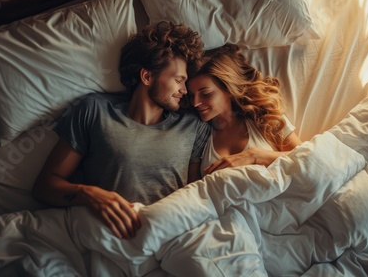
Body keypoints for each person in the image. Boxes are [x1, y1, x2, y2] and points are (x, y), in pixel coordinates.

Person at [32, 22, 210, 239]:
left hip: (172, 236)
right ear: (146, 76)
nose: (184, 90)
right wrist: (88, 194)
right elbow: (44, 186)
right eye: (178, 80)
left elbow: (196, 194)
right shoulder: (95, 111)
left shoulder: (192, 123)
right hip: (109, 238)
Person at [186, 44, 302, 177]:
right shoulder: (199, 135)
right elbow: (193, 189)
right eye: (191, 95)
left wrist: (255, 156)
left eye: (206, 94)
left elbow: (306, 158)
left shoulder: (263, 116)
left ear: (229, 89)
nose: (195, 103)